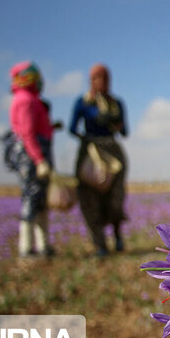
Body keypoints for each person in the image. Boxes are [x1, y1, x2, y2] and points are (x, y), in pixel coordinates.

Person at [69, 64, 128, 257]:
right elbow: (72, 128)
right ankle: (100, 243)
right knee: (89, 198)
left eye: (104, 77)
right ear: (90, 81)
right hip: (91, 153)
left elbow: (125, 131)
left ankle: (118, 236)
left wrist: (115, 123)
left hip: (113, 153)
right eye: (96, 78)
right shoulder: (83, 103)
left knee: (115, 199)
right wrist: (87, 138)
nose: (101, 81)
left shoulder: (116, 103)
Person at [8, 61, 59, 258]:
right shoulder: (25, 100)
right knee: (31, 200)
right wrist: (39, 160)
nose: (40, 81)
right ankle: (26, 248)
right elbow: (27, 133)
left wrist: (51, 128)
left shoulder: (30, 99)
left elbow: (35, 128)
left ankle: (43, 246)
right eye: (36, 77)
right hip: (32, 157)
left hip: (35, 154)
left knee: (40, 201)